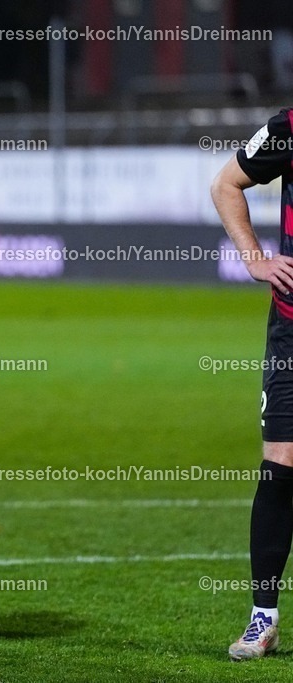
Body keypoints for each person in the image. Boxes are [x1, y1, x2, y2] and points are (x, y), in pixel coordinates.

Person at [212, 108, 293, 660]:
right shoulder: (288, 127)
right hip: (291, 330)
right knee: (280, 464)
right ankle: (262, 620)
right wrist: (255, 258)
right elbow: (225, 184)